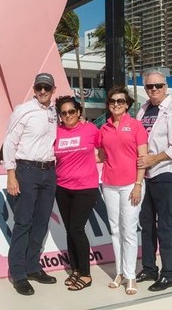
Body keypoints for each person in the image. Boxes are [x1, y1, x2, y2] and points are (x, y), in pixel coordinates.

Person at [3, 73, 58, 296]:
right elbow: (9, 142)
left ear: (53, 89)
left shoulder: (54, 112)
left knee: (41, 222)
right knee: (23, 223)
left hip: (49, 172)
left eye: (46, 87)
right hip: (26, 170)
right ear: (34, 89)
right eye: (39, 87)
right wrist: (11, 174)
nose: (42, 91)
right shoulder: (23, 110)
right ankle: (18, 273)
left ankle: (33, 267)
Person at [136, 70, 172, 291]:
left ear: (165, 86)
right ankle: (149, 268)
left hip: (164, 172)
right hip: (145, 175)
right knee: (146, 224)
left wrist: (152, 159)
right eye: (149, 87)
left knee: (164, 223)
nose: (154, 90)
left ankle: (168, 273)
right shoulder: (144, 109)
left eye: (158, 86)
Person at [99, 86, 148, 295]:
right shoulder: (104, 129)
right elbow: (101, 156)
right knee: (115, 229)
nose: (116, 104)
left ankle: (130, 275)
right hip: (109, 184)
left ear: (127, 104)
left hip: (131, 185)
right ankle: (119, 272)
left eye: (120, 101)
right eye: (112, 101)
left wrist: (138, 184)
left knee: (128, 230)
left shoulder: (136, 126)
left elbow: (142, 159)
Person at [54, 95, 100, 291]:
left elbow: (107, 147)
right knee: (69, 230)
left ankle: (85, 274)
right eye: (64, 113)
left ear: (79, 112)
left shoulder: (90, 130)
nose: (68, 115)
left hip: (85, 188)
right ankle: (74, 270)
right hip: (62, 187)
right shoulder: (56, 132)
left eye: (71, 111)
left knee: (76, 229)